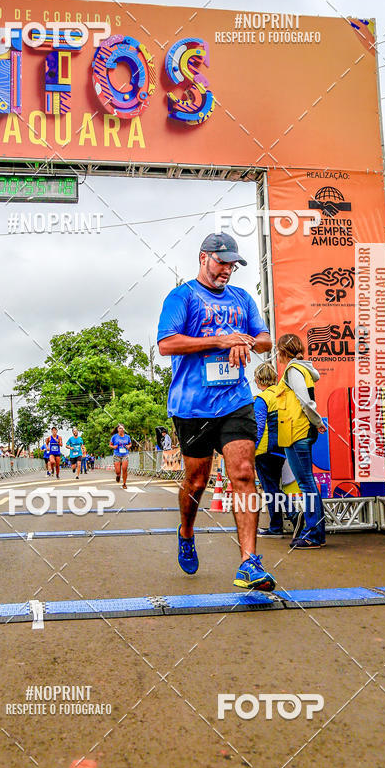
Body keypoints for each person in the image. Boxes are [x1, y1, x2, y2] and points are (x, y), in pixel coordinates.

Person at [157, 232, 275, 590]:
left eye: (232, 264)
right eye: (222, 262)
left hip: (235, 400)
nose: (227, 269)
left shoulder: (242, 298)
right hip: (192, 406)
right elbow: (167, 344)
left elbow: (267, 338)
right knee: (196, 480)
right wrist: (221, 339)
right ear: (203, 258)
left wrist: (245, 341)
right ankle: (186, 530)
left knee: (243, 472)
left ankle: (249, 562)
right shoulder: (182, 296)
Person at [276, 333, 327, 549]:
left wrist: (316, 421)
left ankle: (313, 533)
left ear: (283, 352)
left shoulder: (293, 370)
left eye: (277, 351)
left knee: (306, 484)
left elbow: (305, 401)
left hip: (297, 432)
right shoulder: (303, 369)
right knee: (308, 483)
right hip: (298, 432)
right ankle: (314, 531)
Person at [253, 363, 288, 537]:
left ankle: (286, 519)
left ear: (259, 379)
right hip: (282, 448)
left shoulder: (261, 399)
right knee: (274, 486)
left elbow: (258, 427)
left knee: (271, 489)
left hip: (264, 450)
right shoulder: (283, 395)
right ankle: (278, 524)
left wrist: (251, 449)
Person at [109, 424, 131, 489]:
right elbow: (110, 445)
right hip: (117, 455)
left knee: (124, 469)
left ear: (124, 429)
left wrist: (129, 446)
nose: (121, 430)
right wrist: (113, 447)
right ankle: (118, 476)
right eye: (119, 428)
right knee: (118, 471)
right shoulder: (114, 437)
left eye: (122, 428)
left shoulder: (127, 437)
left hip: (125, 454)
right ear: (117, 429)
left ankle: (124, 483)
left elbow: (130, 443)